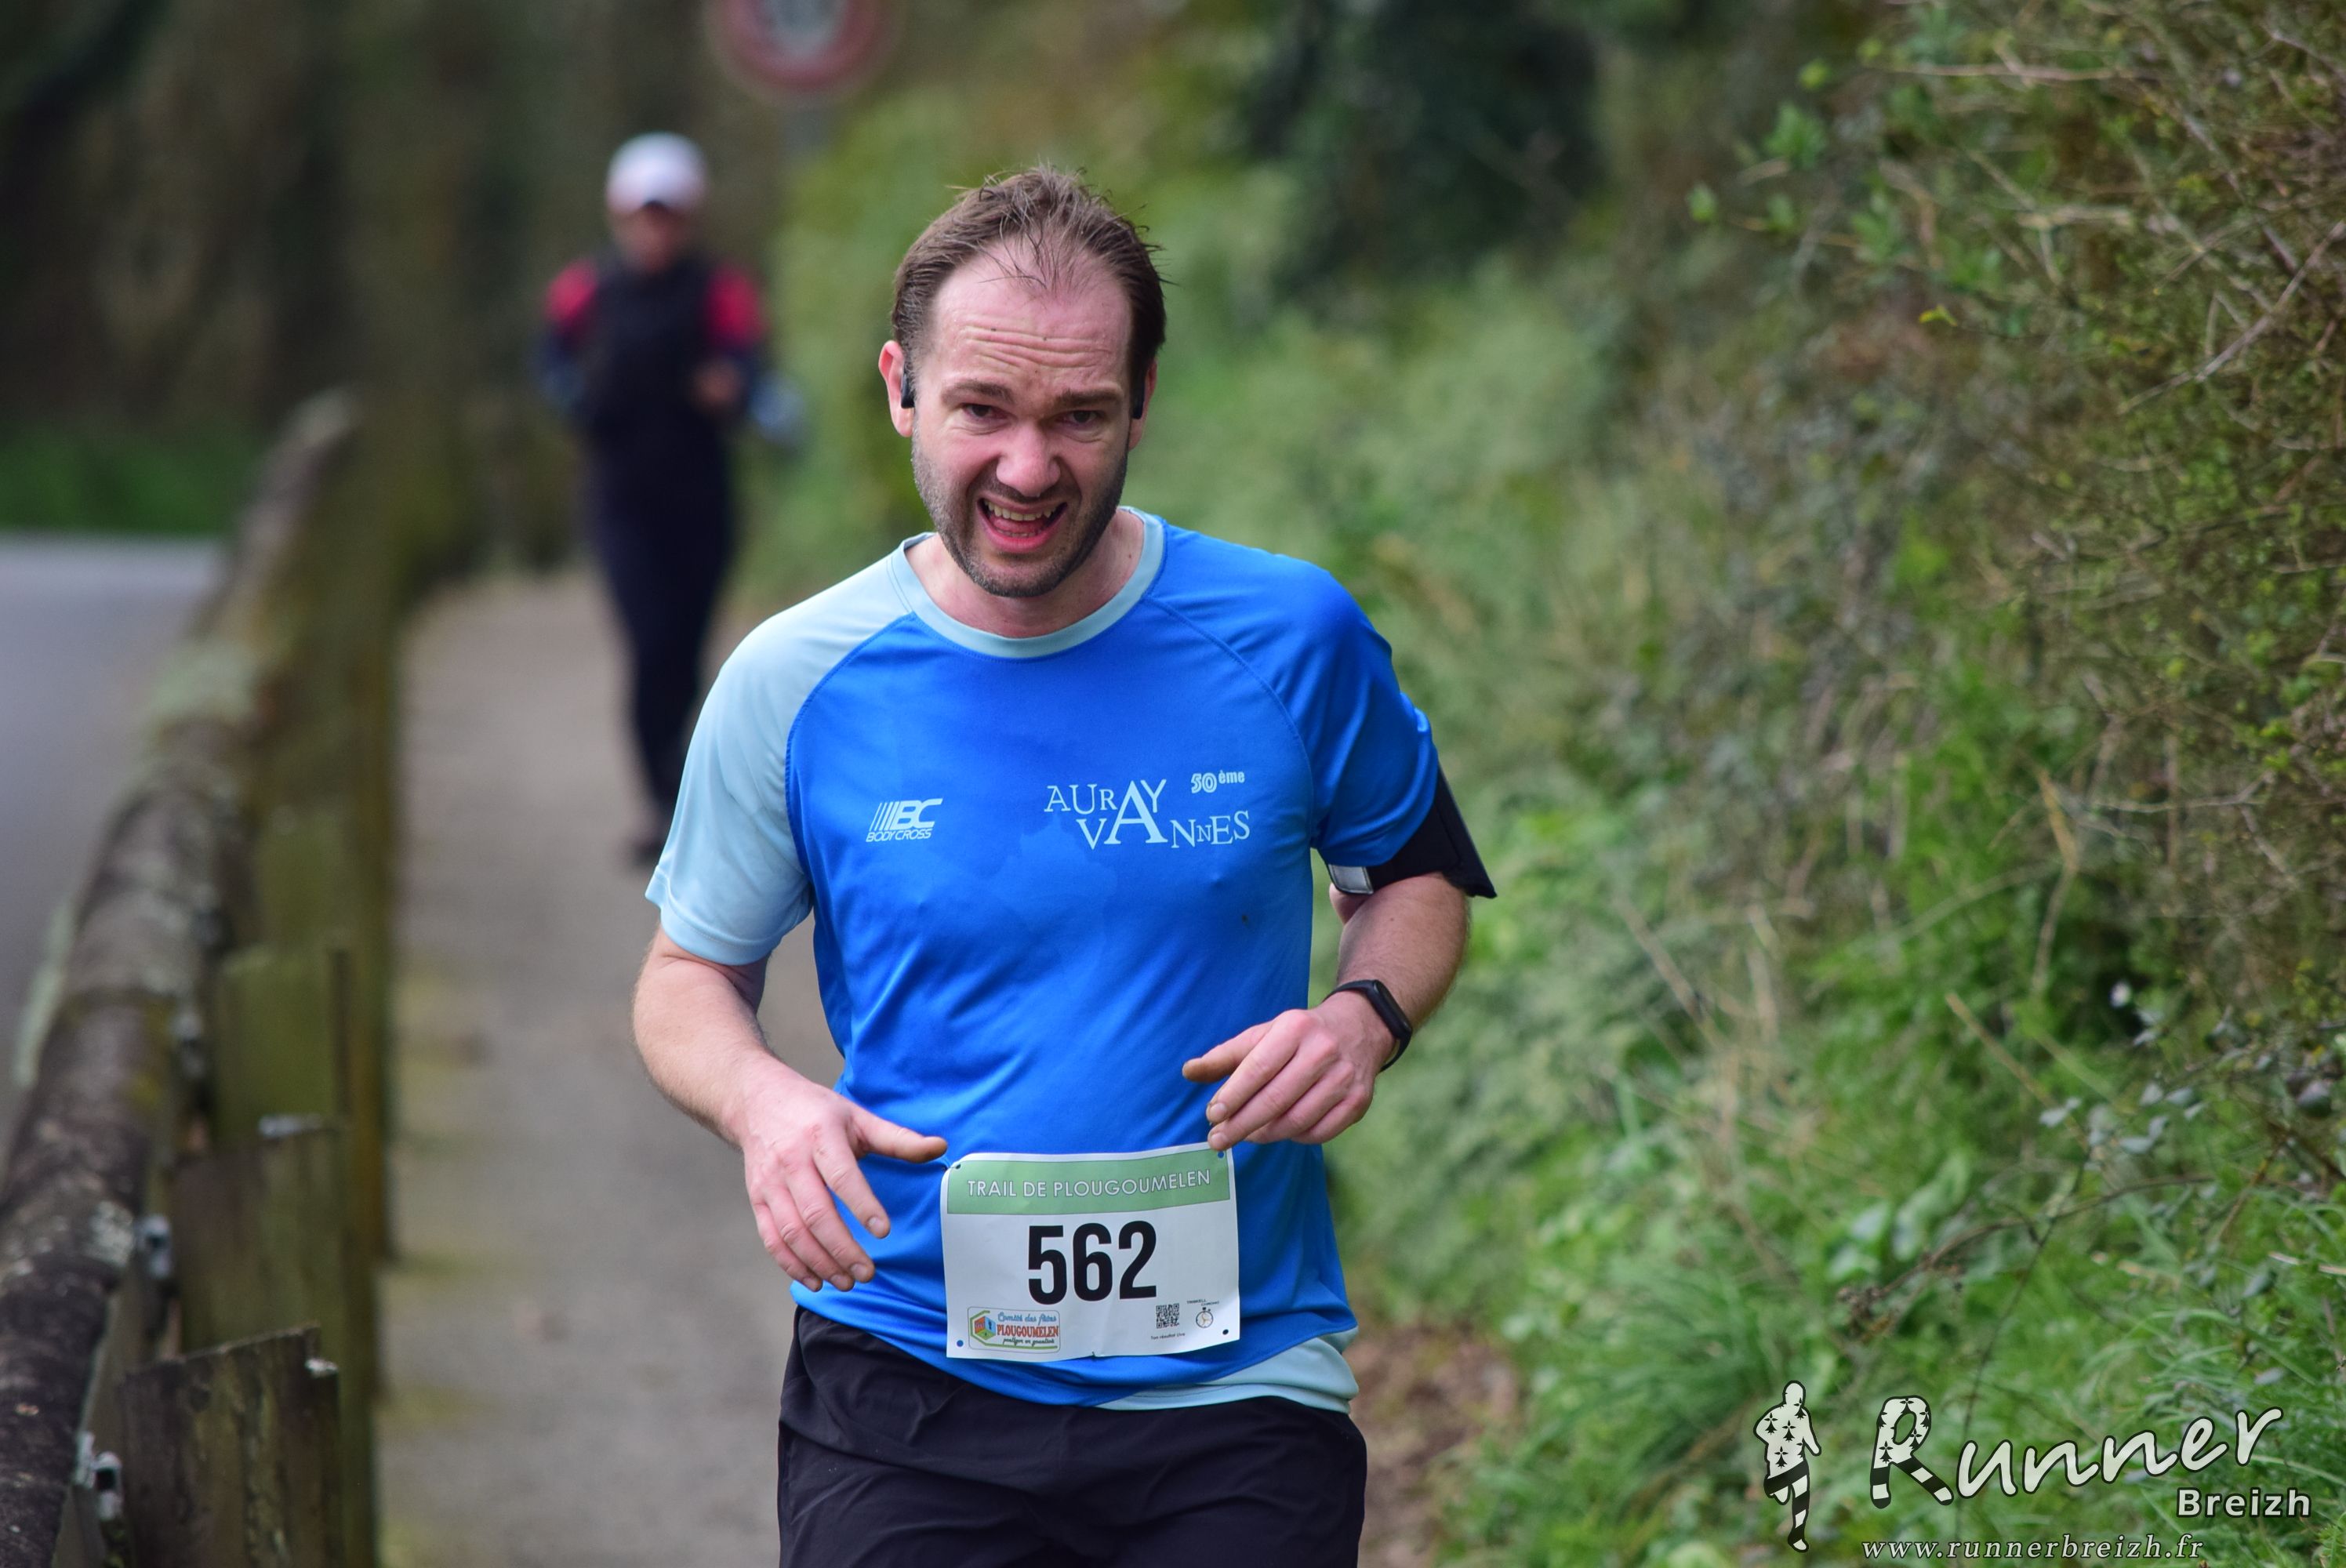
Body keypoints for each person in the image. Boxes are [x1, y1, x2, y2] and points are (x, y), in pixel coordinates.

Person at [631, 165, 1495, 1566]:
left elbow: (1416, 877)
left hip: (1234, 1386)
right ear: (902, 389)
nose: (1028, 471)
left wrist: (1362, 1018)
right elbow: (685, 976)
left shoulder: (1289, 636)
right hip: (905, 1380)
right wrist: (762, 1103)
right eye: (983, 409)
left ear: (1141, 400)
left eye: (1078, 416)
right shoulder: (795, 681)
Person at [536, 132, 767, 862]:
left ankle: (680, 797)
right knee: (648, 645)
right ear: (620, 216)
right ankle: (664, 808)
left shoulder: (721, 291)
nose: (654, 230)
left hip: (701, 503)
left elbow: (752, 369)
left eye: (667, 216)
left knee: (686, 656)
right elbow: (549, 364)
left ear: (689, 218)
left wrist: (730, 389)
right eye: (643, 216)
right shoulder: (585, 290)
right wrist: (577, 399)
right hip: (621, 503)